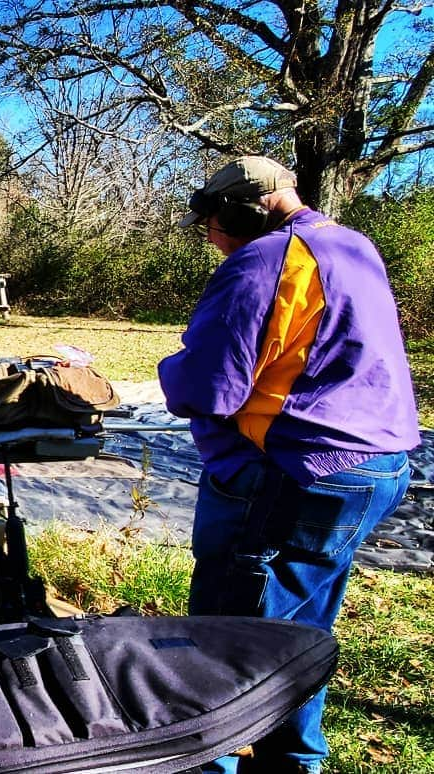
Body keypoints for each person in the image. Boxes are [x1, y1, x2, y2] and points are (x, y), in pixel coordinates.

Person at [158, 156, 419, 774]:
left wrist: (173, 367)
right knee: (300, 628)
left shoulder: (264, 258)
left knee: (226, 635)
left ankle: (209, 763)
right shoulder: (353, 246)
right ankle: (293, 760)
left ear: (245, 212)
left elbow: (208, 387)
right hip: (373, 465)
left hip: (290, 470)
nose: (214, 240)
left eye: (215, 226)